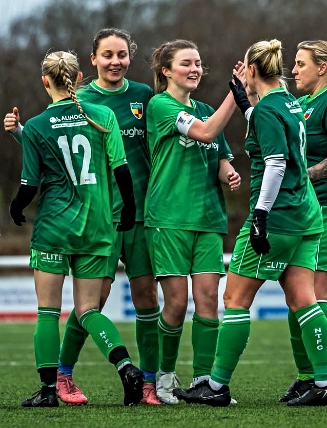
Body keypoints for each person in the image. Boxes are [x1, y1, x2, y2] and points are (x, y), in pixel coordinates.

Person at [174, 39, 327, 407]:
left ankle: (215, 386)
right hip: (306, 216)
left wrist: (261, 216)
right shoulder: (289, 103)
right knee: (303, 299)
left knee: (235, 298)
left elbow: (276, 163)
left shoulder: (267, 110)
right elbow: (271, 128)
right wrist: (247, 105)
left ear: (251, 71)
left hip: (277, 216)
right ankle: (326, 381)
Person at [4, 28, 161, 405]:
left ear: (45, 81)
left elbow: (31, 179)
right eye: (108, 54)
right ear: (81, 73)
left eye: (122, 54)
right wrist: (129, 207)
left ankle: (48, 389)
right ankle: (127, 368)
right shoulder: (100, 112)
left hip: (58, 225)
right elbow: (121, 170)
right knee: (91, 308)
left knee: (48, 311)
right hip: (101, 221)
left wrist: (13, 208)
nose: (116, 61)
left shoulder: (41, 123)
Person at [144, 39, 241, 404]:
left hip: (209, 218)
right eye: (186, 63)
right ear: (167, 70)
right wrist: (238, 93)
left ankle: (204, 382)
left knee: (208, 303)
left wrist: (228, 174)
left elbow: (219, 155)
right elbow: (204, 132)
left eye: (198, 62)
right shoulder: (160, 105)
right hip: (169, 218)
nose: (195, 69)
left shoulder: (203, 107)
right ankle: (164, 378)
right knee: (176, 304)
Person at [275, 40, 327, 405]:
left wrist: (301, 175)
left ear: (322, 67)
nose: (293, 70)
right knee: (297, 296)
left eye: (300, 63)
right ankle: (308, 377)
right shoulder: (304, 104)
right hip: (309, 210)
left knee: (314, 296)